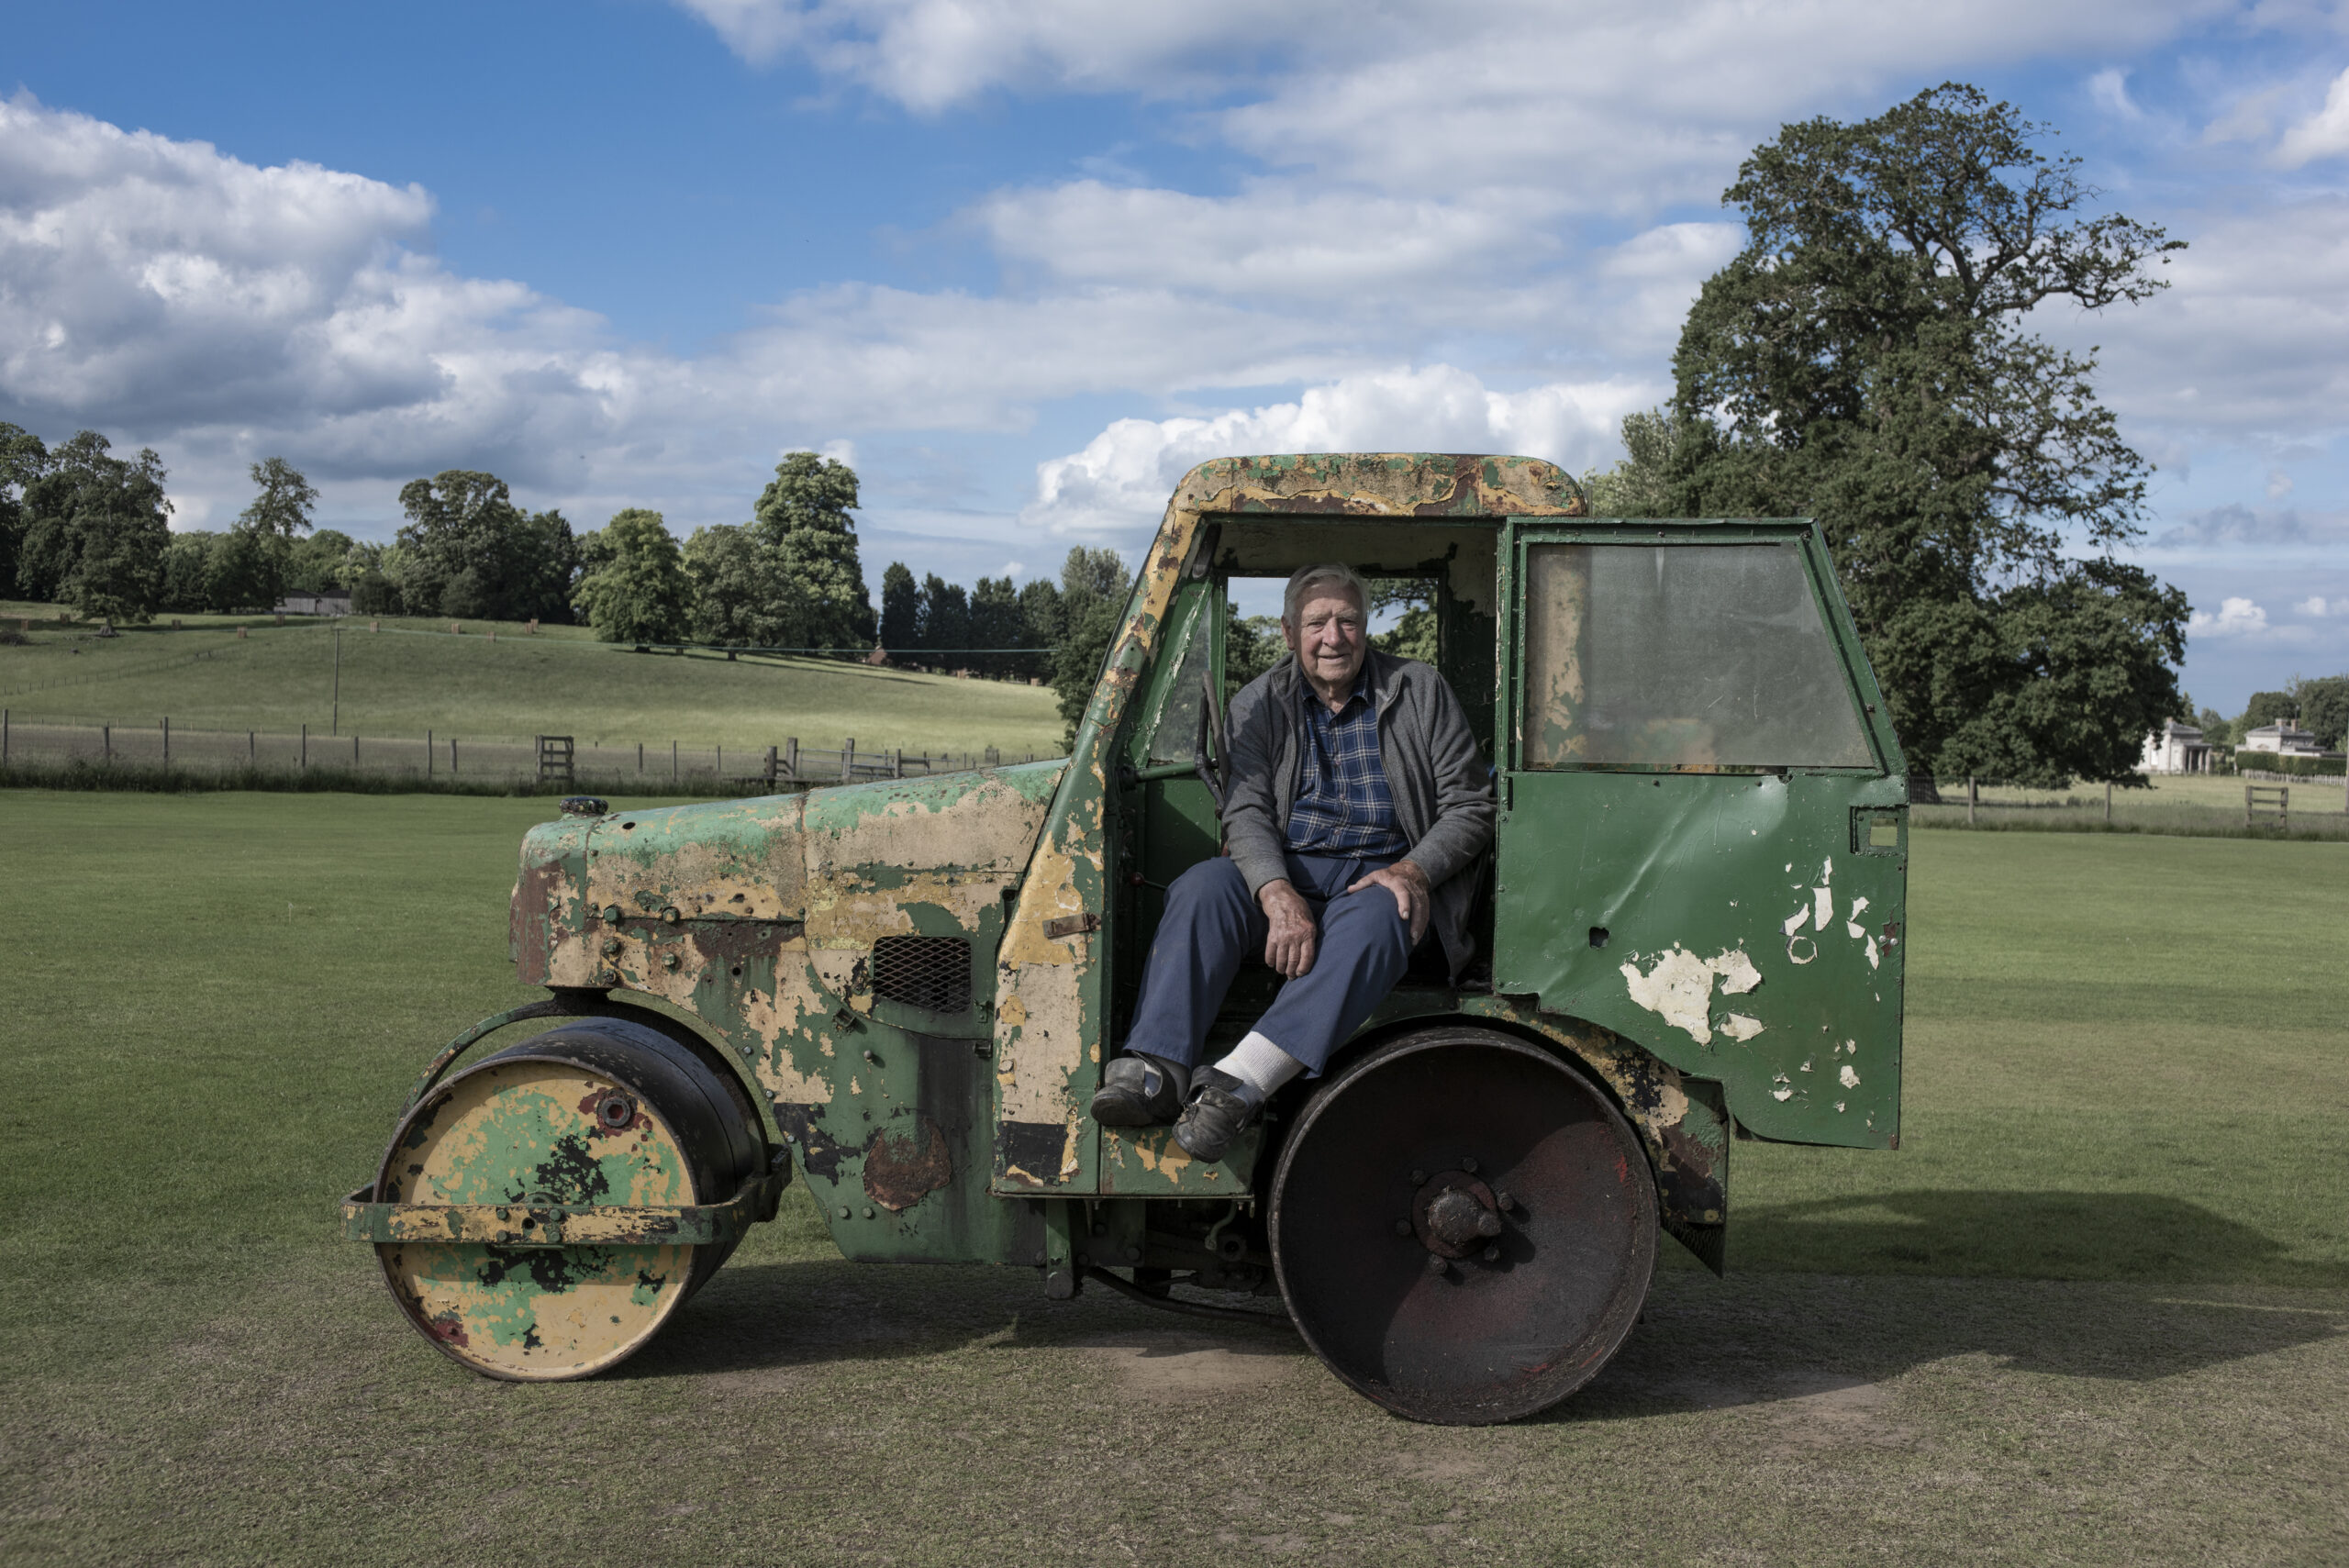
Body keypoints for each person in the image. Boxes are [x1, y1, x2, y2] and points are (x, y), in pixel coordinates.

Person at [1088, 562, 1497, 1160]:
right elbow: (1246, 811)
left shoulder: (1419, 689)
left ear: (1365, 626)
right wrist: (1276, 892)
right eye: (1316, 622)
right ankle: (1159, 1065)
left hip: (1377, 874)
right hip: (1291, 868)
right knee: (1203, 885)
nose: (1333, 636)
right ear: (1288, 632)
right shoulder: (1260, 701)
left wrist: (1415, 869)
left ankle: (1241, 1081)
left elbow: (1471, 805)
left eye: (1348, 620)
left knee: (1385, 910)